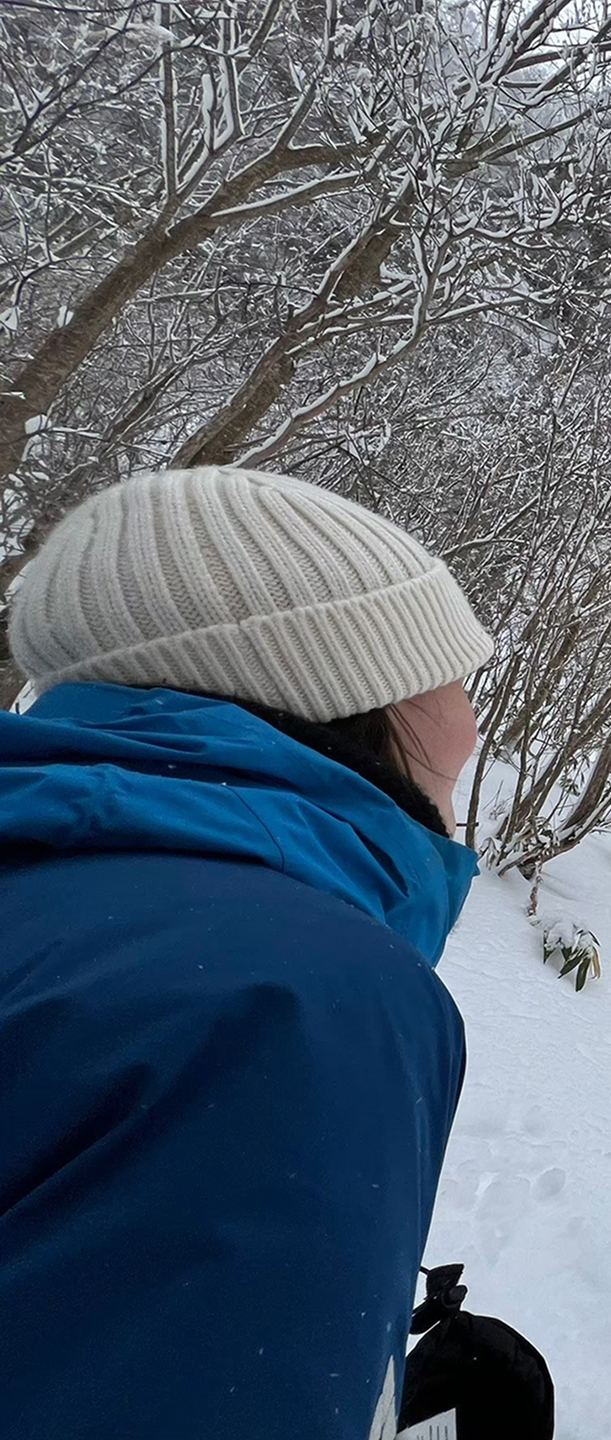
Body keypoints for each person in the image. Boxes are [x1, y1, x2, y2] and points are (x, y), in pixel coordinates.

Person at [0, 466, 496, 1439]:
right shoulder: (299, 998)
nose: (472, 725)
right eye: (445, 670)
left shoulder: (54, 887)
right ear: (328, 685)